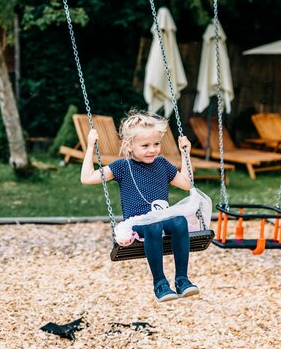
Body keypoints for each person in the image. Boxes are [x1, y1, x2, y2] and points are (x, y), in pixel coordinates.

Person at [81, 110, 199, 302]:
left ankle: (182, 280)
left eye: (156, 144)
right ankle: (160, 284)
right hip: (138, 222)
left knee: (179, 222)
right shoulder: (121, 167)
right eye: (145, 145)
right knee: (152, 226)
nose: (152, 149)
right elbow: (87, 178)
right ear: (129, 145)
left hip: (161, 216)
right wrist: (90, 146)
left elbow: (187, 183)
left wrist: (186, 153)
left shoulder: (162, 164)